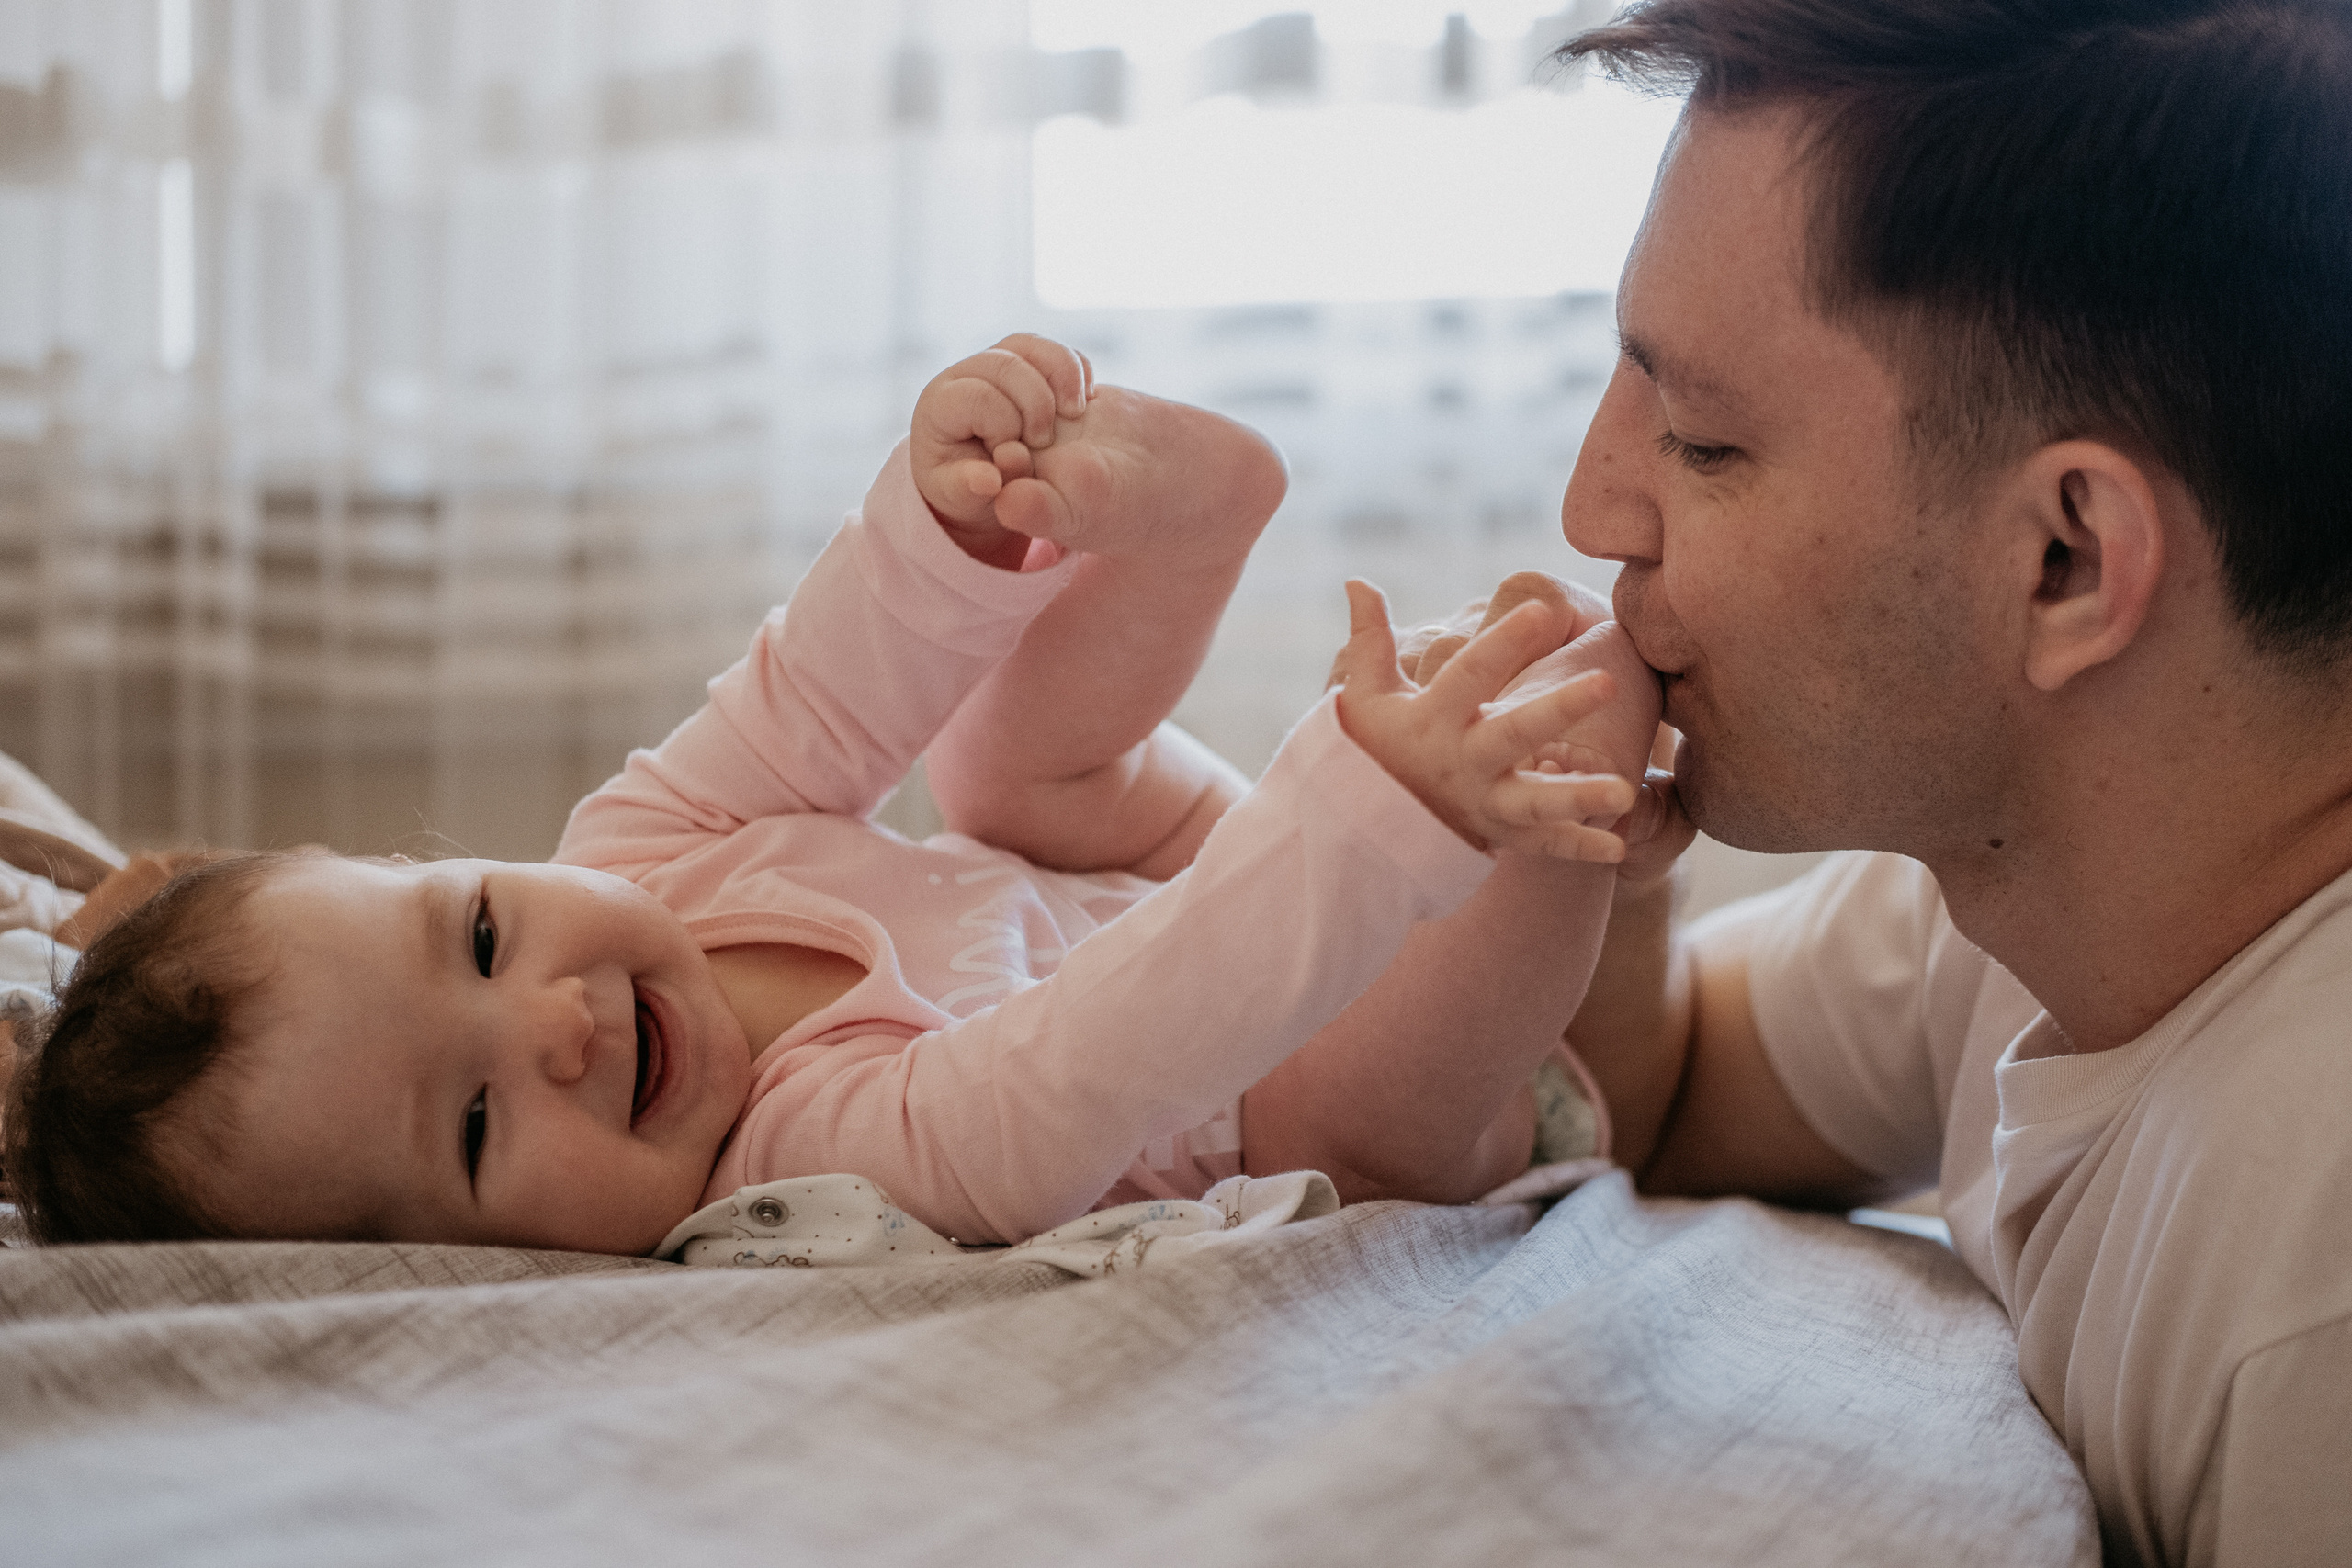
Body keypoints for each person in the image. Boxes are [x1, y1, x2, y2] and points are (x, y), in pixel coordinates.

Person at [3, 333, 1661, 1258]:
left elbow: (820, 690)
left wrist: (946, 525)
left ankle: (1176, 524)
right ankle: (1525, 803)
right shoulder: (788, 1173)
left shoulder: (635, 848)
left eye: (481, 936)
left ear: (462, 868)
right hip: (1306, 1091)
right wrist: (1367, 812)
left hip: (1143, 883)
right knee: (1360, 1068)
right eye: (479, 1124)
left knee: (998, 776)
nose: (554, 1027)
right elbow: (1089, 1063)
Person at [1453, 2, 2346, 1564]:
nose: (1598, 508)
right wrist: (1592, 849)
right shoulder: (2031, 880)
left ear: (2066, 561)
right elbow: (1659, 1098)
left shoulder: (2316, 1282)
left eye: (1703, 440)